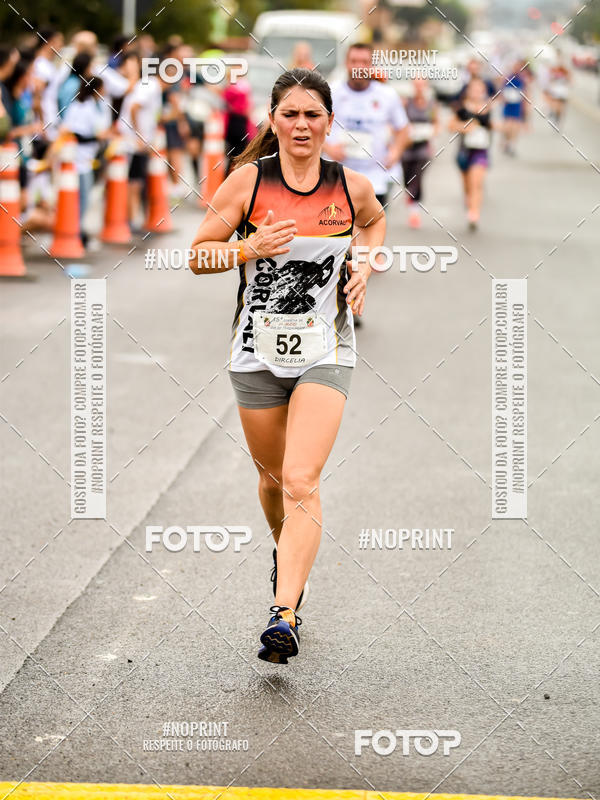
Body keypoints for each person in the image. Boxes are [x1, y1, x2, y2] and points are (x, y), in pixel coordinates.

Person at [188, 68, 385, 664]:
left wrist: (365, 266)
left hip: (327, 349)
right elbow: (199, 256)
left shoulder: (350, 187)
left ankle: (284, 612)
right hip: (255, 353)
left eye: (313, 115)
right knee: (274, 482)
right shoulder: (247, 183)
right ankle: (287, 557)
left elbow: (374, 224)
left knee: (301, 479)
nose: (302, 125)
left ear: (330, 122)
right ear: (273, 121)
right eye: (290, 114)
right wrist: (248, 248)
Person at [323, 42, 407, 327]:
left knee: (359, 244)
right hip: (339, 175)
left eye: (364, 61)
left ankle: (350, 301)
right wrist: (328, 147)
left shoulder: (386, 96)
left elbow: (403, 129)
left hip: (374, 178)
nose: (358, 66)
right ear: (347, 63)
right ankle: (346, 304)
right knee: (346, 241)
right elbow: (314, 125)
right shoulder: (331, 93)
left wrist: (394, 152)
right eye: (354, 60)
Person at [62, 76, 111, 248]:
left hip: (86, 158)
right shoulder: (82, 107)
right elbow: (76, 134)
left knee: (84, 196)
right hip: (78, 158)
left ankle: (78, 229)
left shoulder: (91, 105)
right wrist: (97, 137)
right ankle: (76, 230)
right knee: (82, 197)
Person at [449, 77, 495, 231]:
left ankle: (474, 213)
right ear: (468, 91)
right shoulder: (461, 108)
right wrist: (465, 127)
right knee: (467, 186)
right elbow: (450, 125)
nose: (476, 92)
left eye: (479, 89)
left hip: (480, 151)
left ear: (483, 91)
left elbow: (491, 126)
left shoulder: (487, 108)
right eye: (473, 89)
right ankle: (470, 205)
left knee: (476, 183)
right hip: (464, 151)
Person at [402, 78, 438, 228]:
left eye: (421, 85)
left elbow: (436, 123)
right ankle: (411, 196)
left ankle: (414, 212)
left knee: (417, 177)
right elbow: (399, 123)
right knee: (408, 180)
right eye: (416, 85)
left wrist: (432, 133)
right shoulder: (406, 103)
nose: (419, 88)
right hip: (407, 146)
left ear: (426, 86)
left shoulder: (431, 105)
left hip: (423, 147)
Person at [500, 60, 525, 156]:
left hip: (517, 106)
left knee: (515, 127)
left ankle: (512, 145)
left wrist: (525, 108)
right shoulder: (507, 78)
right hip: (508, 105)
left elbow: (525, 93)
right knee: (507, 126)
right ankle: (506, 140)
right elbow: (502, 90)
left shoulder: (522, 80)